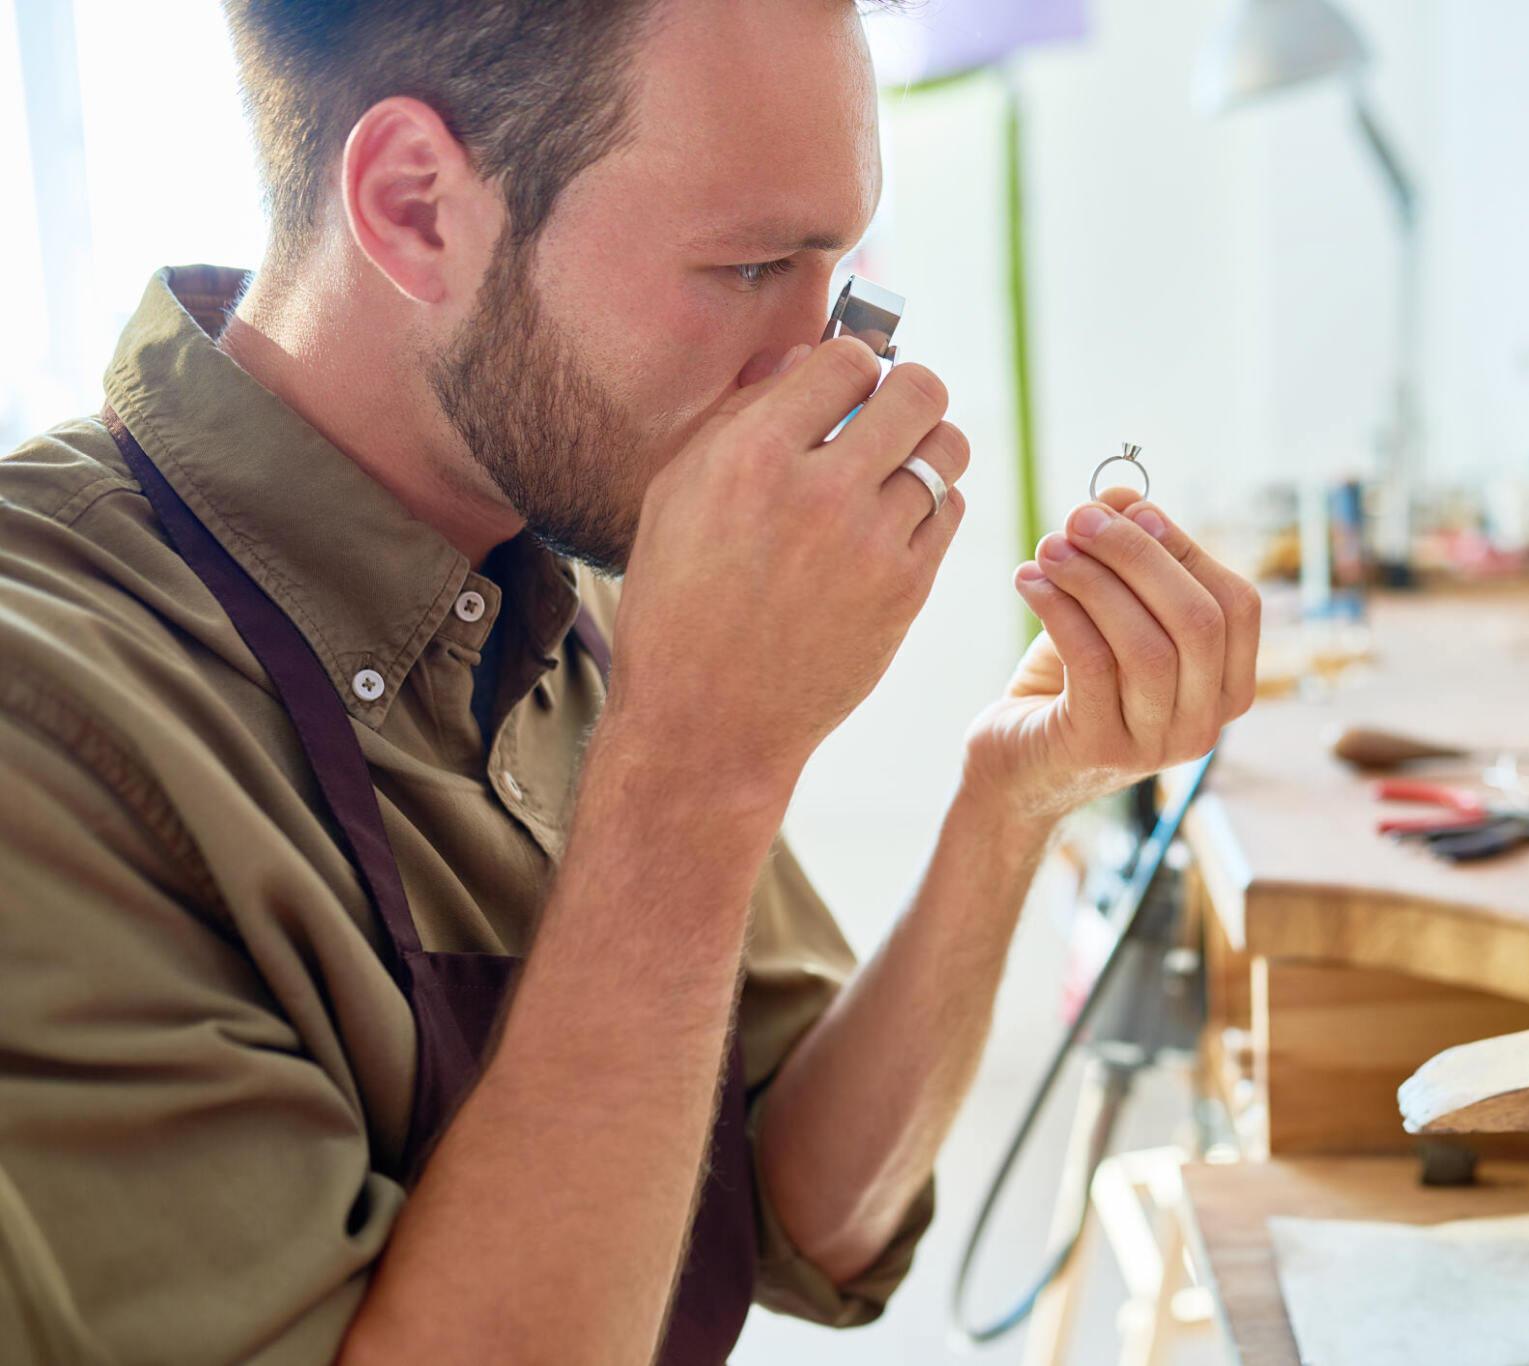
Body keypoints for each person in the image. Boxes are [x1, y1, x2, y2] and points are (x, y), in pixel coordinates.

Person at [0, 0, 1260, 1361]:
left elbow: (802, 1208)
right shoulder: (49, 722)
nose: (823, 372)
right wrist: (695, 767)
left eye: (838, 276)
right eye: (749, 266)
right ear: (416, 206)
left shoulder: (571, 533)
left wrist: (1012, 798)